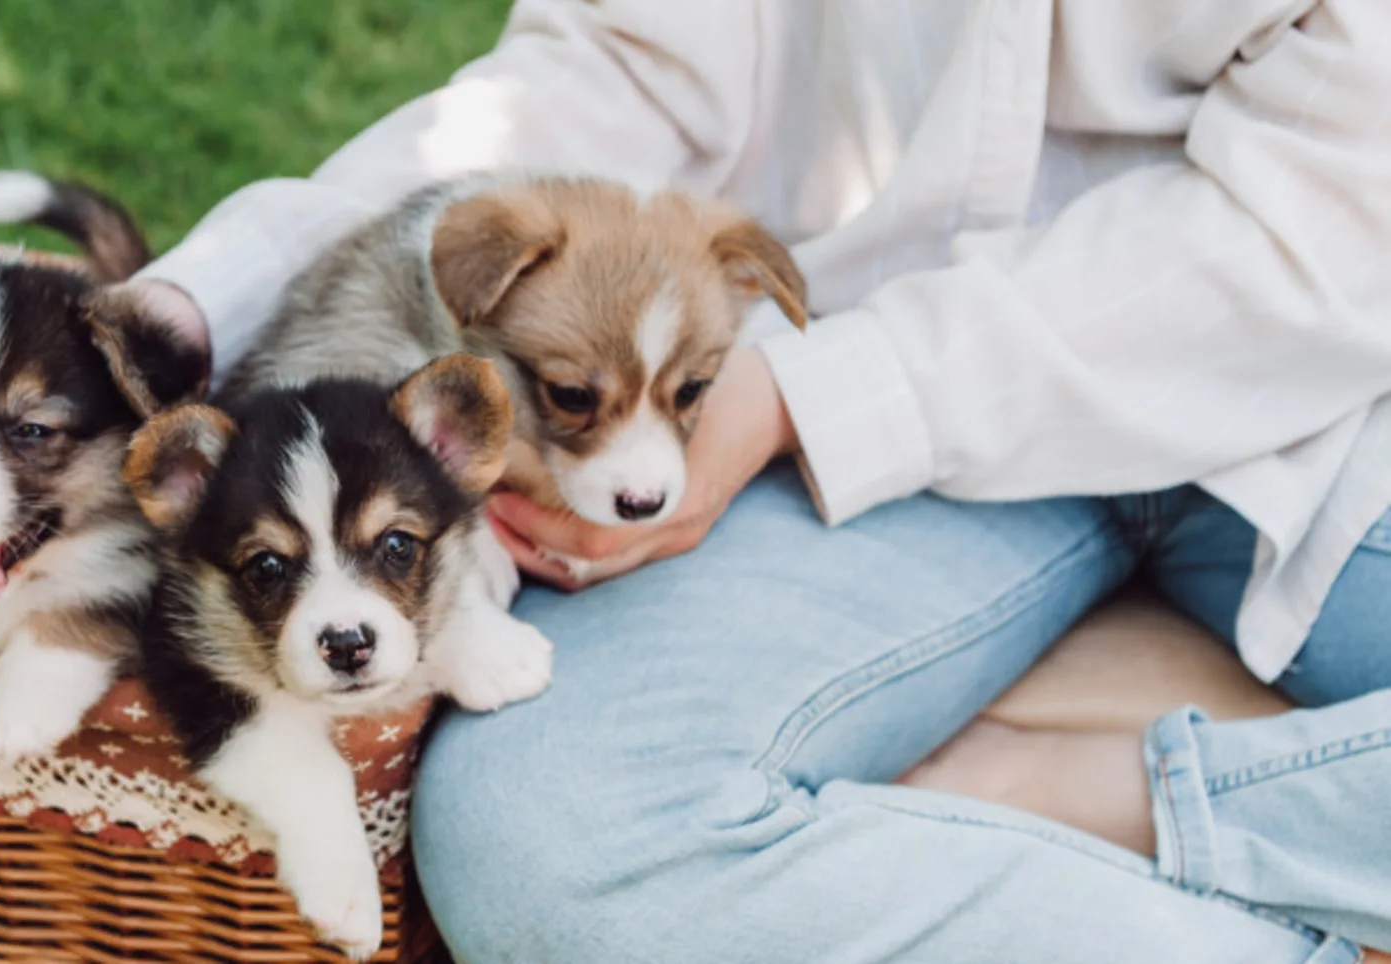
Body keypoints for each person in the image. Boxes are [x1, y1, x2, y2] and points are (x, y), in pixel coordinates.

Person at [131, 2, 1391, 960]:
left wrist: (815, 393)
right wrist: (196, 311)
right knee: (555, 834)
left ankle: (1069, 797)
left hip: (1313, 409)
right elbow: (607, 68)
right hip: (836, 427)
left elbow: (1342, 205)